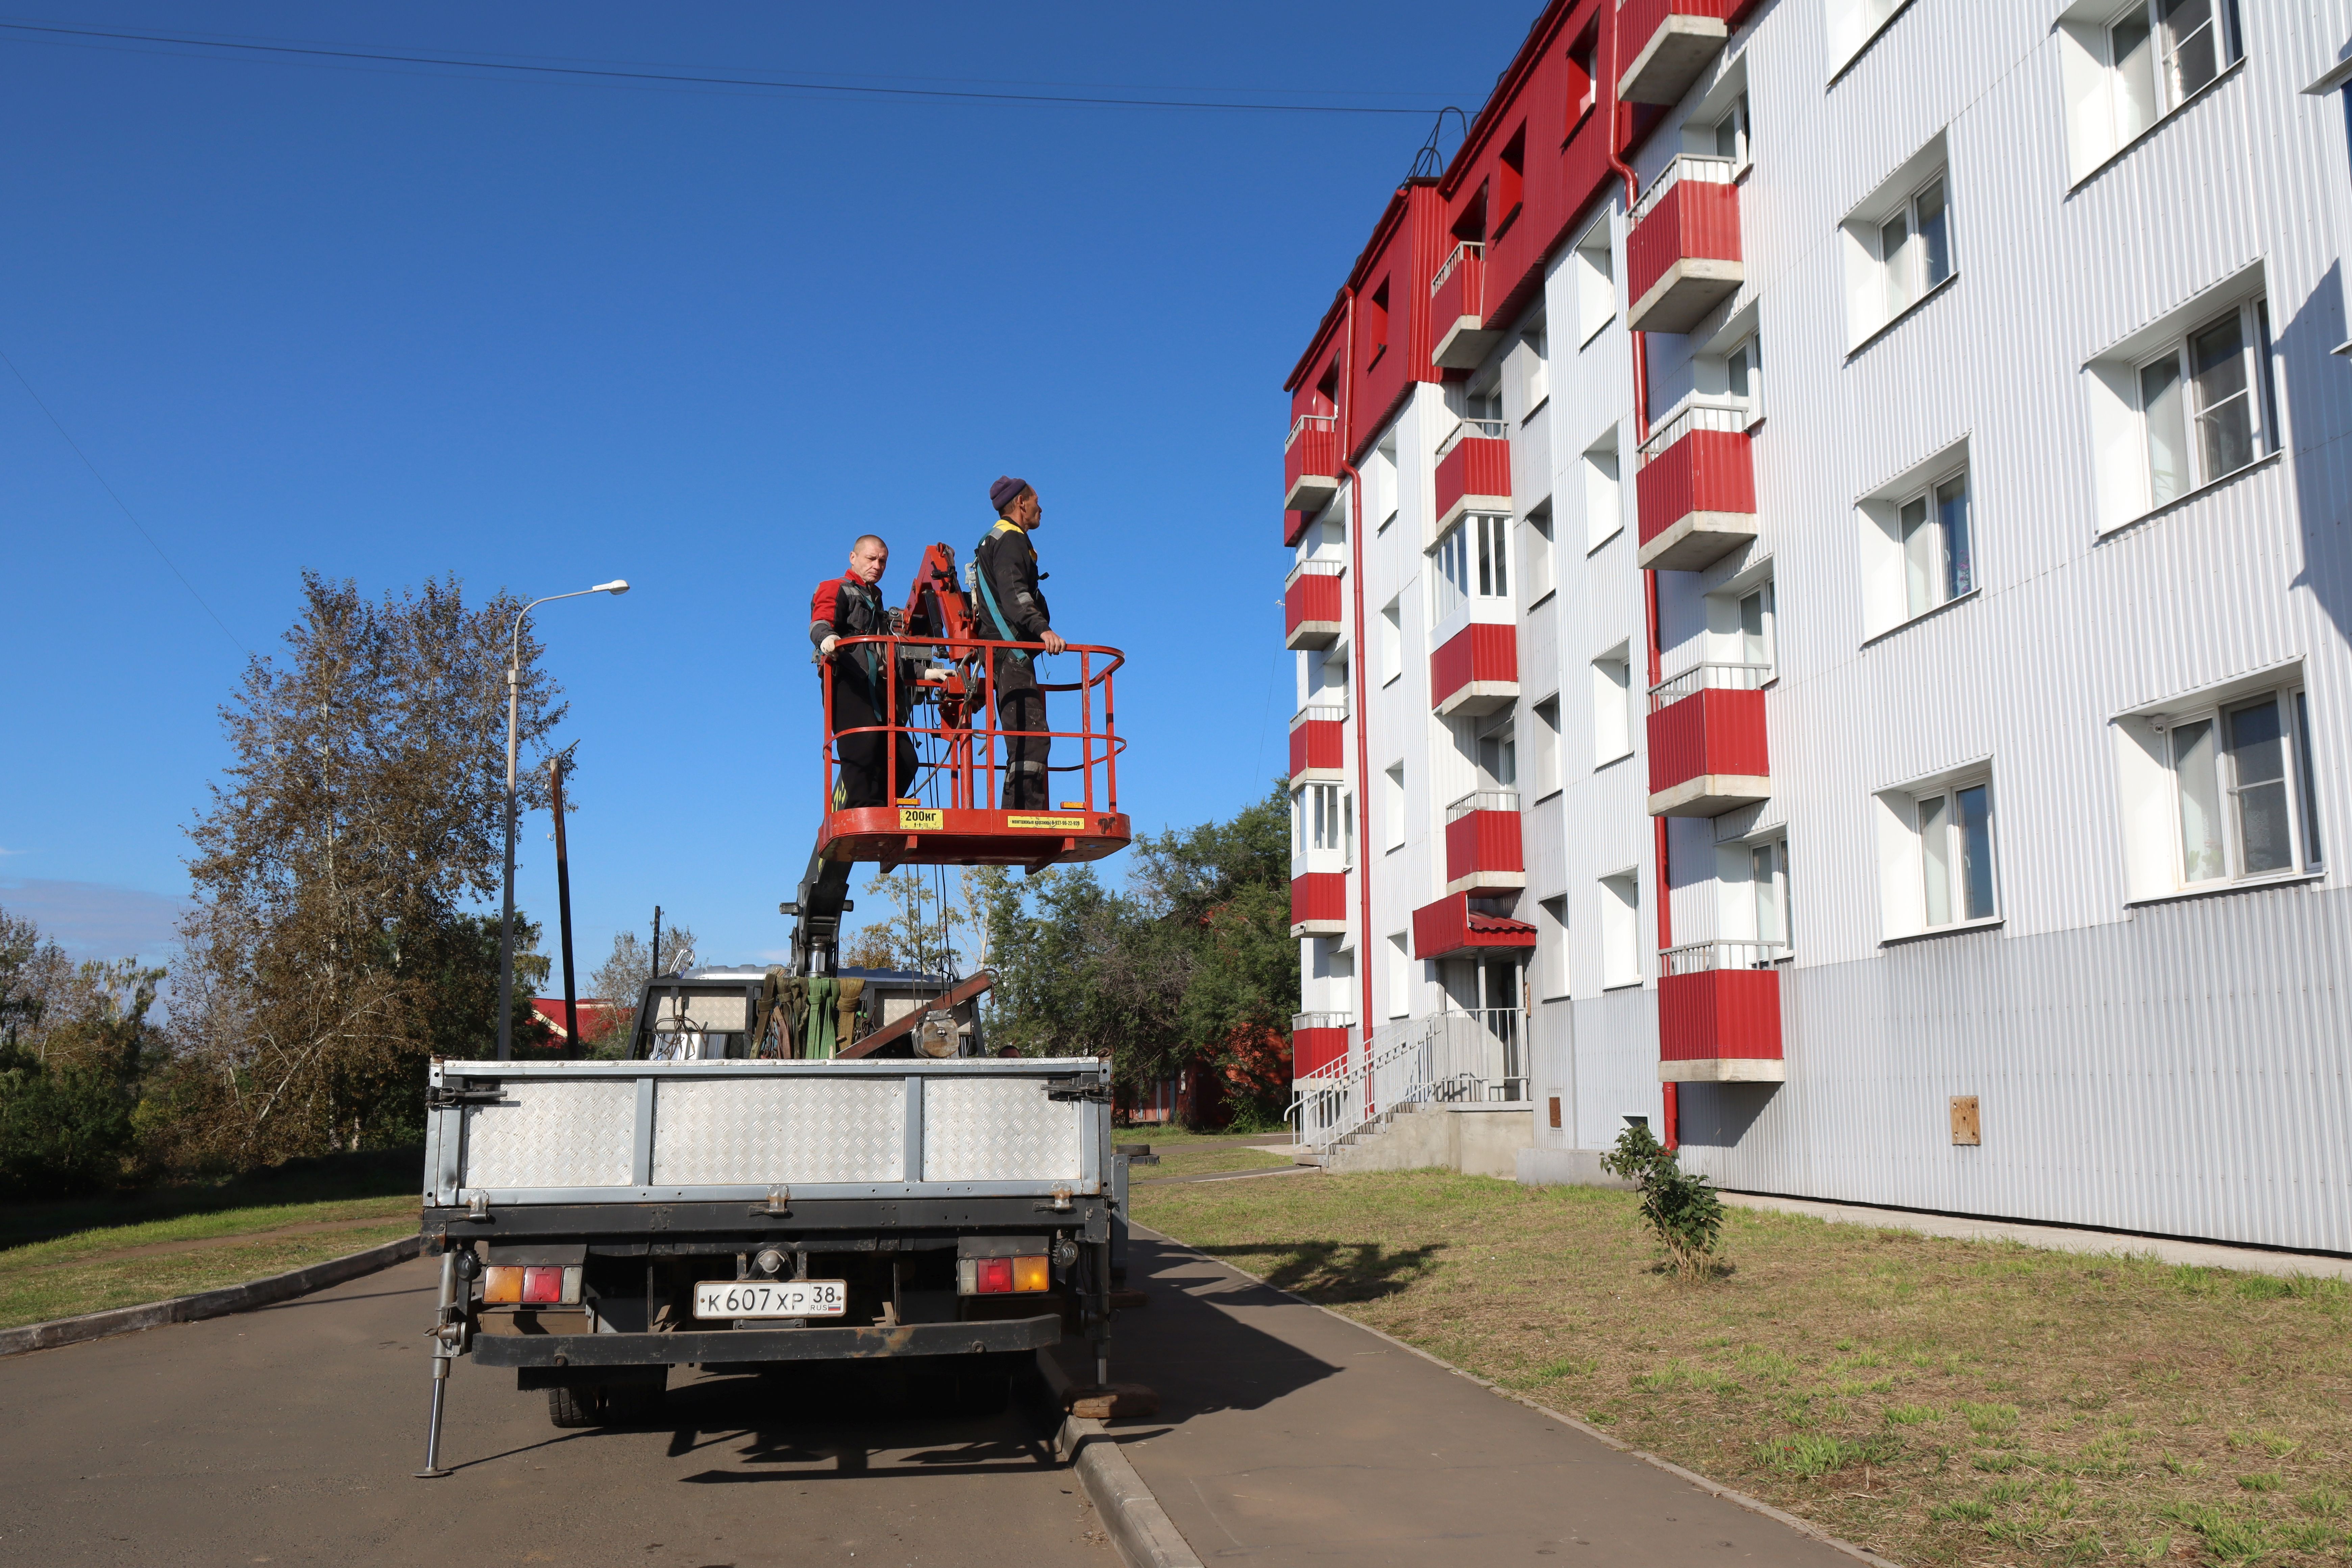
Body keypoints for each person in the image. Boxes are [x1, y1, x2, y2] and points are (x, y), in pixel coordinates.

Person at [972, 476, 1065, 810]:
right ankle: (1024, 816)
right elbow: (1015, 596)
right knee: (1032, 737)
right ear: (1021, 503)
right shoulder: (1011, 540)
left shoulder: (995, 540)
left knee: (1024, 735)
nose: (1041, 507)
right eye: (1037, 500)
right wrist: (1043, 629)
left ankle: (1020, 812)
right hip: (1011, 652)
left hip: (1004, 652)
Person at [811, 534, 918, 809]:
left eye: (883, 561)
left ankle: (882, 805)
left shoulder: (878, 603)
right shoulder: (836, 588)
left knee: (905, 757)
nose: (878, 565)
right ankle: (862, 805)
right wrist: (827, 639)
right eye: (871, 559)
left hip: (877, 687)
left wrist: (923, 673)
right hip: (847, 679)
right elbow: (821, 621)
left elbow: (885, 653)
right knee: (862, 741)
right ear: (853, 558)